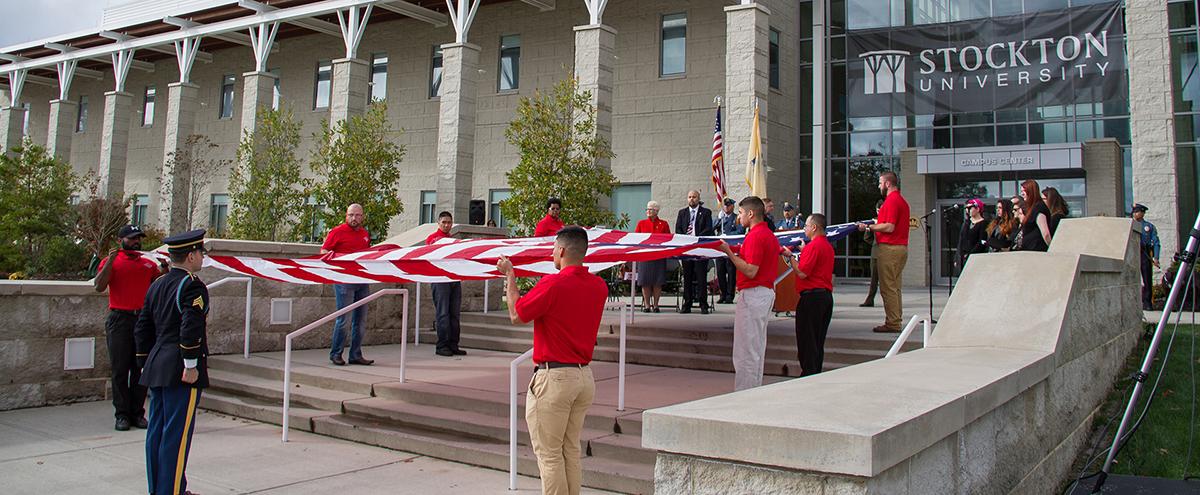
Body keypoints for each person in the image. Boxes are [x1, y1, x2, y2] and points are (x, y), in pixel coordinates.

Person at [496, 227, 607, 495]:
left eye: (554, 249)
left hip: (555, 378)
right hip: (583, 377)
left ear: (562, 250)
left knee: (549, 454)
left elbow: (517, 314)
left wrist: (510, 275)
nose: (551, 253)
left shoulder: (553, 284)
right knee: (570, 449)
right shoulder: (599, 286)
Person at [134, 229, 210, 495]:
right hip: (179, 367)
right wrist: (191, 364)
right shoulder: (192, 285)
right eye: (200, 252)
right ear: (190, 256)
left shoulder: (158, 283)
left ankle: (160, 488)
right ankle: (171, 491)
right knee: (176, 436)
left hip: (157, 363)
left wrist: (144, 361)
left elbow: (143, 326)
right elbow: (191, 327)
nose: (202, 257)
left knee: (157, 431)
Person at [94, 224, 165, 431]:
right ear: (121, 241)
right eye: (132, 238)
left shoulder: (147, 263)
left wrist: (165, 270)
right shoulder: (111, 261)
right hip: (119, 319)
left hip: (142, 319)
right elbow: (99, 286)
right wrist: (111, 261)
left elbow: (159, 284)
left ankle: (137, 413)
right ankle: (122, 414)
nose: (136, 242)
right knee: (119, 369)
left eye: (138, 238)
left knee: (140, 368)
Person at [716, 196, 781, 391]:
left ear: (751, 214)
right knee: (755, 347)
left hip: (754, 294)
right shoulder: (767, 234)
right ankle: (753, 389)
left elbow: (751, 270)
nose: (739, 217)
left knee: (746, 350)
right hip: (762, 293)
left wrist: (728, 253)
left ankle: (745, 392)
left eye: (742, 213)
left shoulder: (755, 236)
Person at [856, 171, 909, 333]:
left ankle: (893, 323)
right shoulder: (900, 201)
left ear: (887, 183)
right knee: (895, 287)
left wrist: (869, 227)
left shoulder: (892, 201)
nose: (879, 186)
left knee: (888, 288)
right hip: (899, 248)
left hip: (890, 248)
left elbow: (889, 226)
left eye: (880, 183)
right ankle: (895, 320)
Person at [321, 203, 374, 366]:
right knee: (344, 319)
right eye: (351, 215)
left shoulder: (365, 234)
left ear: (362, 217)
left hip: (361, 280)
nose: (354, 218)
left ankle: (355, 354)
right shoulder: (337, 232)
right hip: (344, 281)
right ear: (346, 216)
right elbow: (324, 252)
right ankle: (336, 353)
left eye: (357, 215)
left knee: (361, 320)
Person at [782, 213, 835, 376]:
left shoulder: (814, 246)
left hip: (812, 297)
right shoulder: (826, 246)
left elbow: (802, 272)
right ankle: (814, 371)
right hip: (824, 296)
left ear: (814, 227)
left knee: (807, 339)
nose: (804, 228)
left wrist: (790, 257)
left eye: (806, 225)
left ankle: (808, 373)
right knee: (817, 339)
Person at [427, 211, 465, 357]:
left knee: (454, 313)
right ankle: (442, 345)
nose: (446, 225)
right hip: (439, 279)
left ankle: (453, 344)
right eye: (444, 222)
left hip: (453, 278)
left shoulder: (453, 240)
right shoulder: (433, 239)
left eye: (449, 222)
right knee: (443, 313)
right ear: (438, 223)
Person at [675, 190, 714, 314]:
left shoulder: (706, 212)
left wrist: (696, 240)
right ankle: (687, 304)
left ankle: (703, 304)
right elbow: (678, 229)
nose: (692, 199)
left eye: (694, 197)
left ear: (698, 198)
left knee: (701, 277)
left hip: (700, 249)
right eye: (690, 197)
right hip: (687, 250)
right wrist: (687, 240)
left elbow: (708, 229)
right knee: (687, 278)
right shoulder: (682, 213)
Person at [635, 201, 671, 313]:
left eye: (650, 209)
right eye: (647, 209)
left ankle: (656, 305)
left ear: (656, 211)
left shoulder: (663, 224)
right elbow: (636, 238)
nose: (648, 211)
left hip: (658, 256)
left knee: (657, 282)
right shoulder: (641, 223)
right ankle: (647, 305)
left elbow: (668, 238)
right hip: (645, 256)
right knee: (645, 281)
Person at [714, 197, 744, 304]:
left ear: (733, 206)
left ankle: (730, 295)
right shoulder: (720, 218)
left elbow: (740, 231)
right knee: (720, 272)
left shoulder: (736, 218)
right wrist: (718, 220)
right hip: (720, 249)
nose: (726, 207)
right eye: (725, 205)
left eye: (729, 205)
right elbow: (712, 227)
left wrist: (727, 235)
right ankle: (722, 294)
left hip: (731, 249)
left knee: (731, 272)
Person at [1132, 203, 1161, 310]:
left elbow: (1156, 243)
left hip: (1145, 253)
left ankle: (1147, 302)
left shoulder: (1148, 227)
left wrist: (1156, 257)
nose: (1135, 214)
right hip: (1132, 253)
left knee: (1147, 278)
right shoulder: (1129, 225)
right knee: (1131, 278)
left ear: (1143, 213)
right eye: (1134, 212)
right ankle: (1134, 301)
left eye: (1137, 211)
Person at [860, 199, 883, 307]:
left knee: (887, 279)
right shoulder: (873, 221)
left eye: (881, 210)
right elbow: (867, 237)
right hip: (875, 252)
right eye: (878, 210)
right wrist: (874, 243)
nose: (879, 212)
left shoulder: (886, 221)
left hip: (886, 251)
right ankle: (870, 299)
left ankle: (890, 300)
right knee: (874, 278)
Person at [1018, 179, 1052, 252]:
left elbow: (1046, 233)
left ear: (1031, 192)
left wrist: (1052, 250)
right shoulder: (1032, 208)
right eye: (1021, 191)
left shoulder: (1039, 208)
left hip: (1036, 251)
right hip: (1029, 251)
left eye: (1024, 191)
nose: (1022, 194)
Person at [956, 198, 989, 271]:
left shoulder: (983, 223)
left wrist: (970, 254)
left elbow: (982, 242)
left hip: (976, 258)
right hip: (963, 258)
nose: (967, 210)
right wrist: (958, 257)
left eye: (970, 208)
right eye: (966, 208)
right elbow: (961, 240)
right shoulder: (966, 223)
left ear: (978, 209)